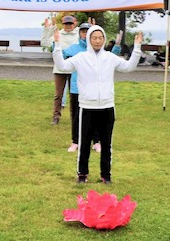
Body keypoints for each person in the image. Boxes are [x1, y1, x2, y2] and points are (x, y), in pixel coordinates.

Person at [52, 25, 143, 184]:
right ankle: (82, 174)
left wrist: (137, 48)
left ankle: (106, 175)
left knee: (106, 144)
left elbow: (128, 67)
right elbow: (62, 66)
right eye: (94, 38)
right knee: (85, 143)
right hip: (87, 107)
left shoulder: (110, 57)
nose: (97, 41)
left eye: (100, 38)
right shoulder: (81, 58)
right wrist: (57, 46)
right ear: (89, 39)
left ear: (104, 39)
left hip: (107, 107)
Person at [63, 22, 122, 153]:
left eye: (87, 31)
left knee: (96, 117)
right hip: (76, 88)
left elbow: (111, 57)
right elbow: (62, 57)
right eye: (82, 31)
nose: (84, 34)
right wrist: (53, 40)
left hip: (95, 91)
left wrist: (117, 45)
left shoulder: (98, 47)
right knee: (76, 116)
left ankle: (96, 141)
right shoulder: (74, 48)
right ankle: (75, 141)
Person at [41, 14, 80, 125]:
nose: (68, 26)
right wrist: (47, 29)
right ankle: (56, 116)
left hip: (74, 69)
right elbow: (45, 43)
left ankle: (75, 117)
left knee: (75, 95)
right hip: (60, 69)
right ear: (62, 24)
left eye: (70, 23)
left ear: (75, 23)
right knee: (58, 95)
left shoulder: (79, 34)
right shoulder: (57, 34)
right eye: (66, 24)